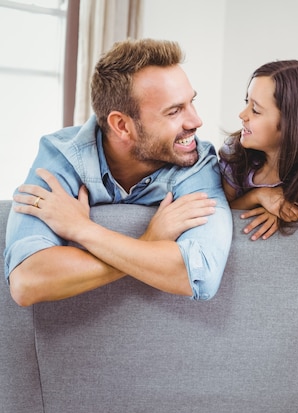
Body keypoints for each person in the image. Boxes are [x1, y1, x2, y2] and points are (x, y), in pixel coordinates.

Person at [4, 38, 233, 306]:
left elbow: (200, 276)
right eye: (174, 111)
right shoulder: (61, 156)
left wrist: (83, 230)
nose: (196, 121)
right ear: (122, 125)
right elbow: (26, 282)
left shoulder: (197, 163)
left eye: (191, 102)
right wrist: (149, 241)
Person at [218, 60, 298, 242]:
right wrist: (259, 196)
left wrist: (283, 213)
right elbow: (220, 213)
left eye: (255, 110)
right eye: (247, 102)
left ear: (294, 125)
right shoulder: (236, 155)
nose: (242, 115)